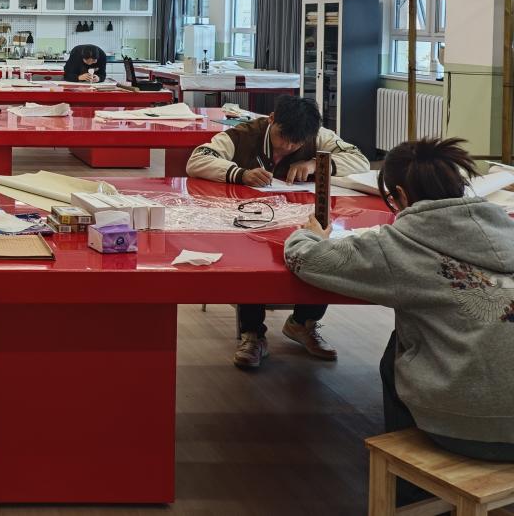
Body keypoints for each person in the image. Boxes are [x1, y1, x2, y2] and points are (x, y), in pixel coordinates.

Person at [285, 137, 514, 499]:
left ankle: (410, 493)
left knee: (397, 352)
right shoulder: (505, 228)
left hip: (470, 430)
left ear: (401, 196)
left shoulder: (399, 244)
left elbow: (307, 260)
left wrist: (307, 235)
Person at [185, 94, 370, 369]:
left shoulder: (317, 136)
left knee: (321, 252)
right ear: (271, 119)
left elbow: (360, 161)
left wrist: (316, 164)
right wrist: (240, 173)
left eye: (297, 143)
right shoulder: (242, 135)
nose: (288, 146)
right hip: (250, 219)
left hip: (300, 217)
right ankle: (252, 333)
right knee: (251, 261)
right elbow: (197, 160)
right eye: (283, 137)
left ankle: (303, 323)